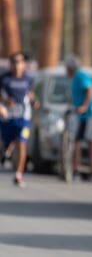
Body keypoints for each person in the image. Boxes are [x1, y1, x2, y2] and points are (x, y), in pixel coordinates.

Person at [0, 51, 37, 187]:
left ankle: (18, 174)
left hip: (23, 117)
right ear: (10, 64)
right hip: (7, 117)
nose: (17, 65)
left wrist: (34, 101)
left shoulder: (28, 80)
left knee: (22, 142)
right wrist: (5, 100)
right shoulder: (4, 79)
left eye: (20, 62)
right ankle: (6, 152)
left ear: (24, 64)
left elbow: (31, 95)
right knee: (8, 143)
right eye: (14, 62)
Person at [65, 55, 92, 182]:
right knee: (76, 141)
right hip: (83, 115)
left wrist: (84, 106)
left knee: (91, 142)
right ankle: (76, 170)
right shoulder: (76, 77)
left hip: (91, 113)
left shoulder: (80, 76)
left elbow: (89, 89)